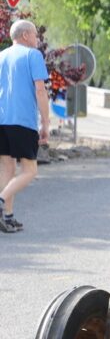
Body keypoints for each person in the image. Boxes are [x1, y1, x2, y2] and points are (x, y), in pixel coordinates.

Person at [0, 20, 50, 233]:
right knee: (29, 170)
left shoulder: (1, 56)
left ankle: (8, 216)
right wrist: (45, 122)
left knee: (7, 168)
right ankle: (1, 201)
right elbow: (40, 90)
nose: (37, 39)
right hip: (23, 120)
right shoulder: (33, 55)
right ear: (26, 35)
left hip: (2, 120)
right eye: (35, 35)